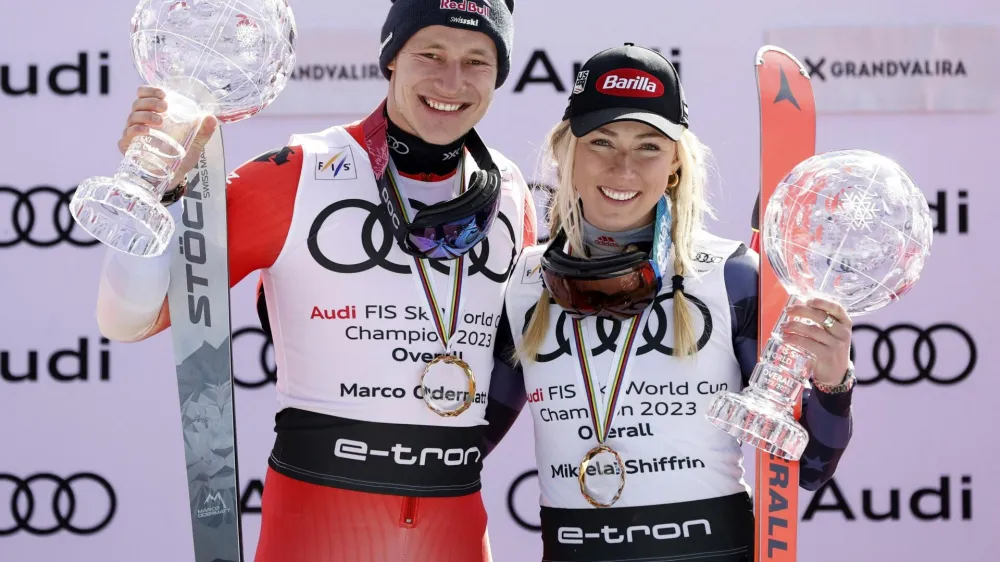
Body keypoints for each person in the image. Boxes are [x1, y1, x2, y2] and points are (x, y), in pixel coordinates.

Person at [96, 1, 537, 560]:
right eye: (431, 53)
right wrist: (157, 190)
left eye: (478, 60)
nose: (453, 80)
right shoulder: (300, 171)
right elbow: (127, 319)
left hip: (454, 528)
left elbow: (513, 360)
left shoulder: (510, 192)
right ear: (391, 57)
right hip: (314, 526)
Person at [490, 43, 855, 562]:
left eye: (648, 147)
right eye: (601, 142)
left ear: (675, 166)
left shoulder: (730, 277)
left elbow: (810, 467)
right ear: (566, 155)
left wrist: (832, 380)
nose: (623, 168)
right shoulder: (524, 282)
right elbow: (463, 443)